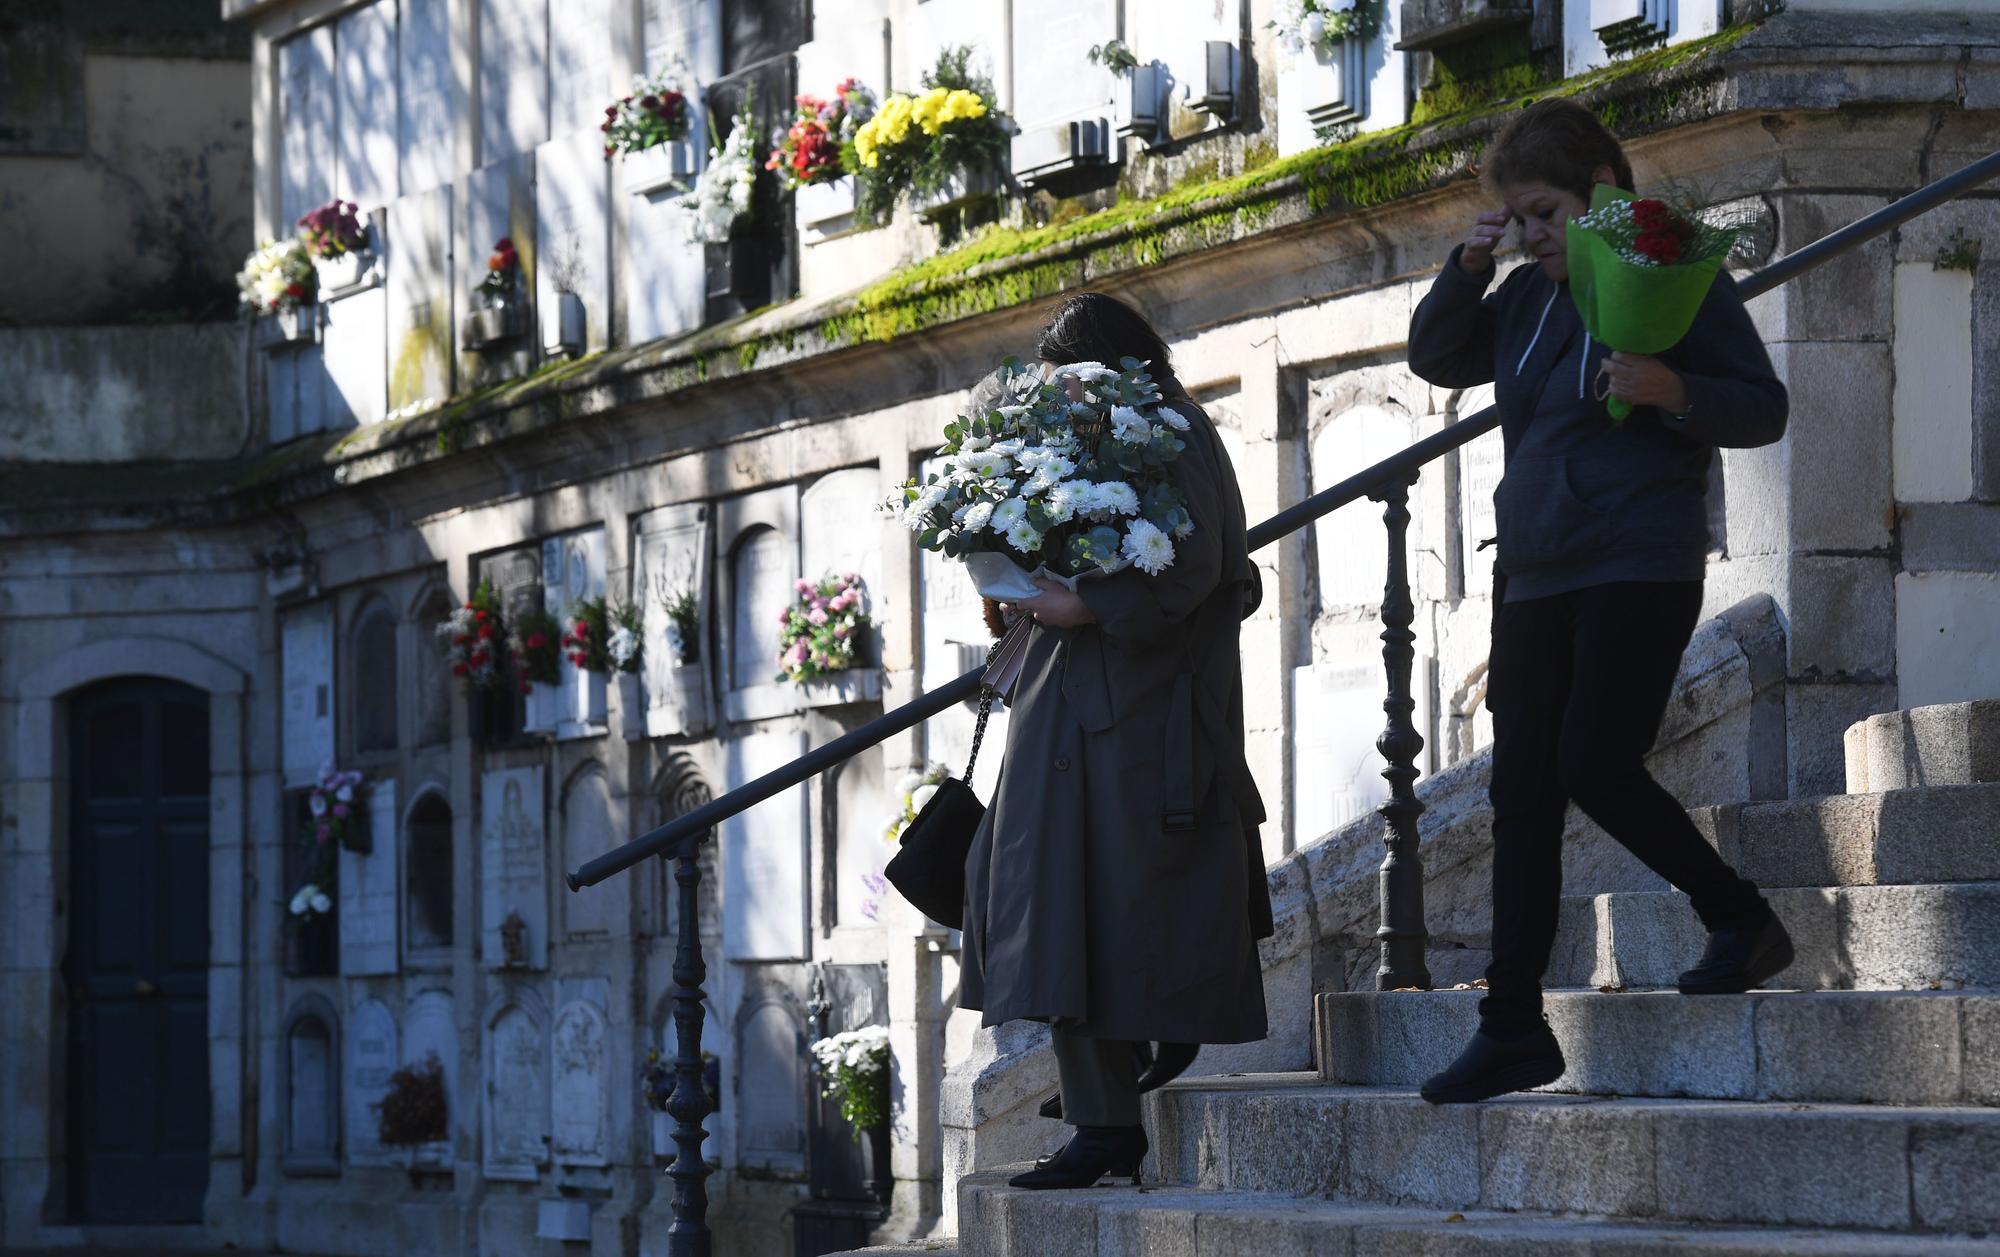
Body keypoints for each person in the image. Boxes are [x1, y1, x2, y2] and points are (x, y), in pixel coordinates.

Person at [1406, 99, 1795, 1105]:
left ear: (1598, 197)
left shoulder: (1669, 276)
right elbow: (1437, 359)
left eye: (1541, 214)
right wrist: (1467, 267)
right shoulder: (1524, 301)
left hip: (1637, 556)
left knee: (1593, 763)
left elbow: (1760, 406)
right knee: (1519, 796)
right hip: (1533, 565)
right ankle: (1510, 1028)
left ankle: (1737, 915)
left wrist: (1675, 394)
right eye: (1517, 217)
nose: (1530, 235)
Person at [957, 292, 1272, 1188]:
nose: (1057, 398)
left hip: (1131, 700)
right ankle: (1108, 1081)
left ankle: (1106, 1116)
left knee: (1085, 899)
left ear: (1102, 362)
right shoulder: (1139, 421)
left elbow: (1198, 561)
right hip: (1092, 694)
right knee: (1057, 892)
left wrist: (1083, 601)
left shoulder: (1162, 422)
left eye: (1065, 379)